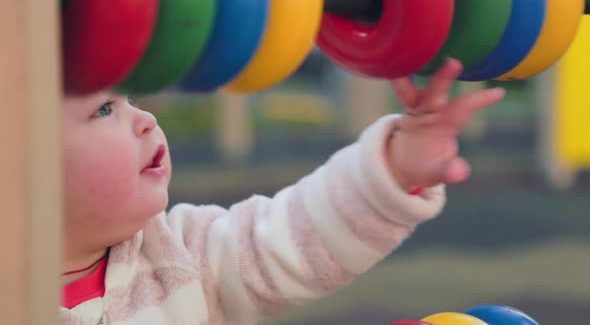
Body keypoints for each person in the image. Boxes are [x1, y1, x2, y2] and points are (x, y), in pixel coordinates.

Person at [60, 59, 505, 324]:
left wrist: (395, 164)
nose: (146, 119)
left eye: (129, 100)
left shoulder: (179, 256)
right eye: (103, 110)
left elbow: (295, 235)